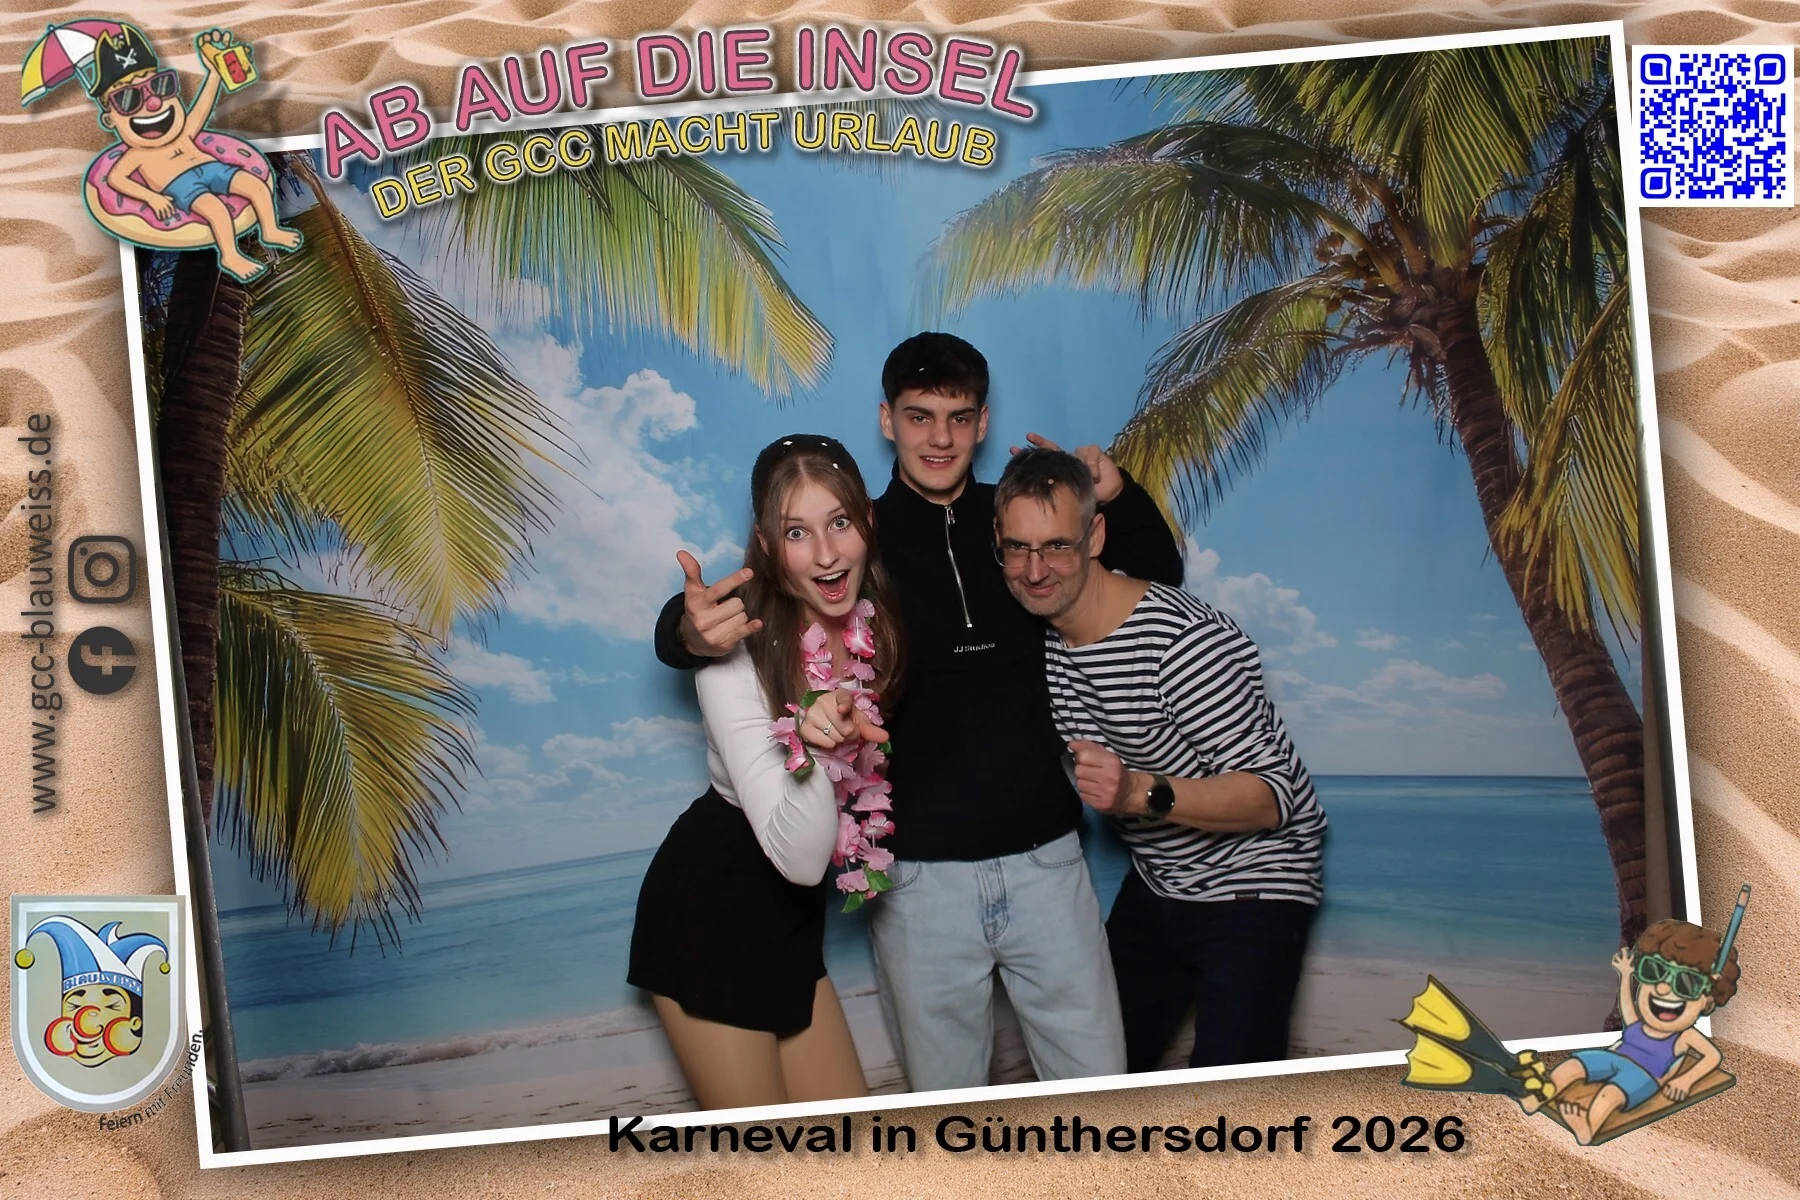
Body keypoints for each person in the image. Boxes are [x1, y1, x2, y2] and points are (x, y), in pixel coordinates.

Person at [653, 333, 1185, 1091]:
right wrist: (683, 631)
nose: (940, 437)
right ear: (887, 420)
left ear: (983, 422)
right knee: (946, 1110)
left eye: (959, 418)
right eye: (919, 416)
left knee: (1097, 1093)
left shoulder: (1017, 525)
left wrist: (1119, 494)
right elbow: (748, 600)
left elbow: (1151, 582)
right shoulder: (857, 540)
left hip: (1046, 858)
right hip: (916, 878)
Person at [993, 447, 1327, 1072]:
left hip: (1255, 882)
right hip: (1159, 882)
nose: (1036, 570)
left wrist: (1138, 794)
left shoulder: (1182, 642)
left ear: (1095, 537)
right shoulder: (1043, 637)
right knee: (1097, 1073)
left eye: (1058, 546)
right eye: (1019, 548)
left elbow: (1271, 795)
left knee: (1231, 1097)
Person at [628, 434, 899, 1109]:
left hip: (790, 922)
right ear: (767, 545)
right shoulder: (735, 650)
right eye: (796, 532)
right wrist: (815, 750)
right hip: (710, 913)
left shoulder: (880, 619)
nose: (826, 553)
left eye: (839, 522)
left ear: (868, 521)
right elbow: (800, 860)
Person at [1526, 917, 1737, 1144]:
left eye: (1686, 983)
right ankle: (1538, 1096)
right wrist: (1625, 974)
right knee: (1573, 1066)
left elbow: (1712, 1056)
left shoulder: (1684, 1037)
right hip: (1614, 1058)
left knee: (1610, 1094)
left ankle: (1587, 1128)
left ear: (1707, 1002)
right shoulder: (1640, 1024)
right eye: (1654, 971)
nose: (1663, 988)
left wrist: (1685, 1080)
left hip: (1644, 1075)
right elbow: (1626, 1006)